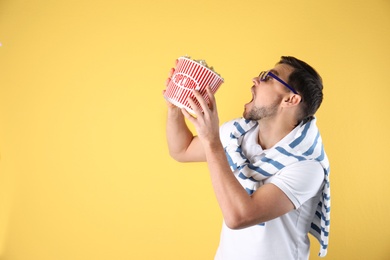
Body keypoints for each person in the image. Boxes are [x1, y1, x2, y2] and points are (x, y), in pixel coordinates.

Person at [164, 56, 330, 260]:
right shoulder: (239, 134)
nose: (255, 80)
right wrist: (175, 107)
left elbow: (239, 217)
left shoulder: (307, 166)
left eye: (268, 78)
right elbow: (182, 149)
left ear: (290, 99)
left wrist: (212, 141)